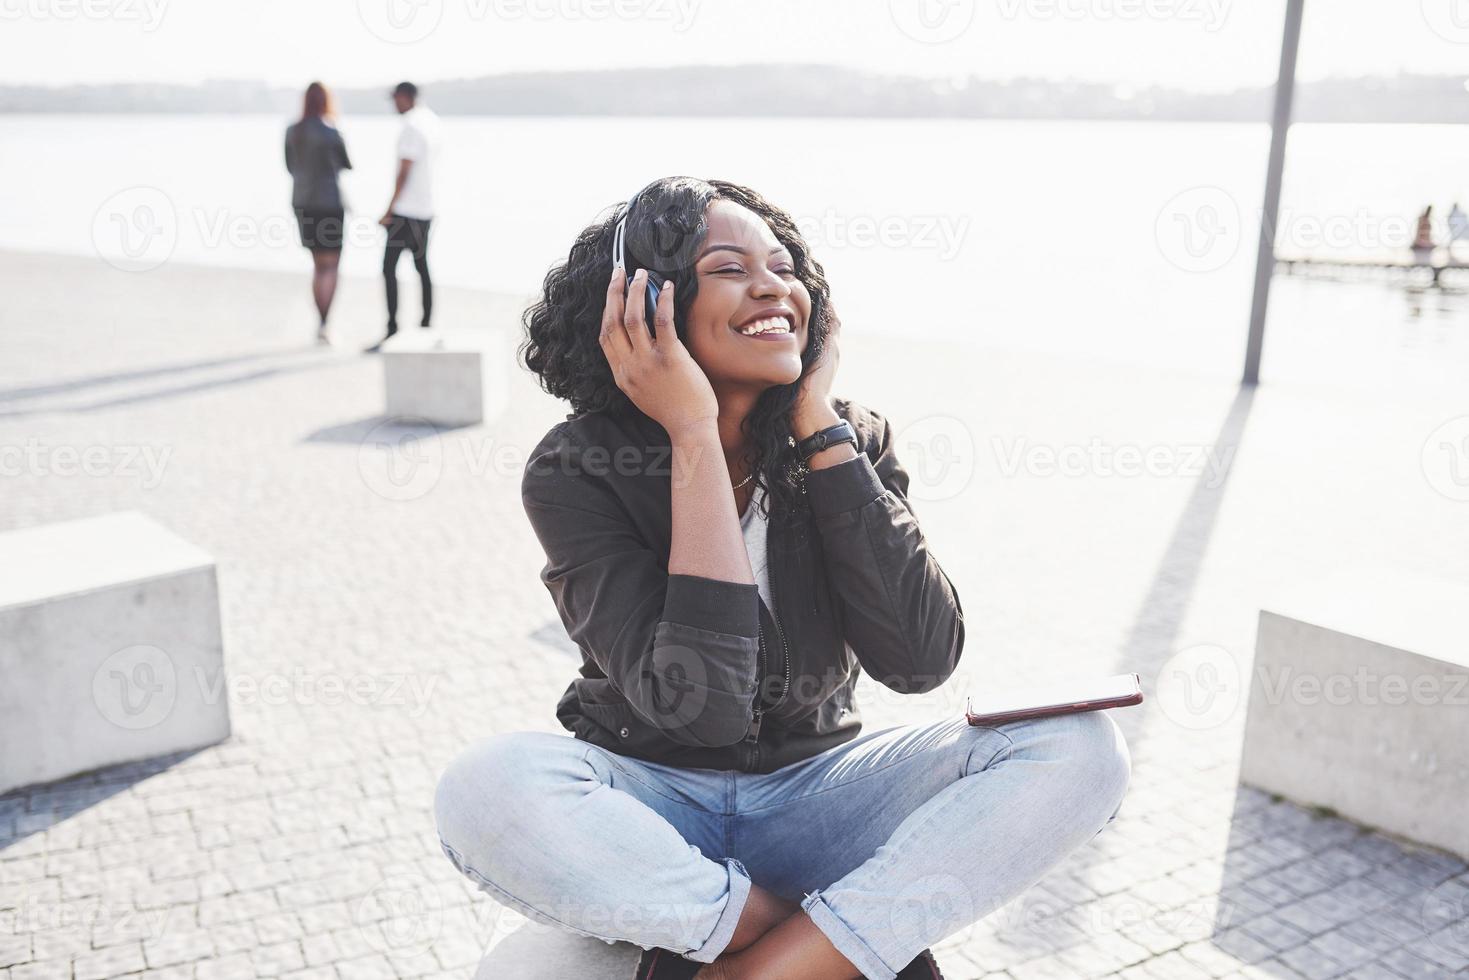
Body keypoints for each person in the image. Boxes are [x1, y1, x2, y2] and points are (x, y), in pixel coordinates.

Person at [432, 177, 1131, 980]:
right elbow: (700, 713)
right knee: (485, 786)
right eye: (730, 268)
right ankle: (799, 937)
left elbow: (918, 661)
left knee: (1078, 744)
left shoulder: (847, 439)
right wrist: (690, 431)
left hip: (819, 793)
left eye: (784, 265)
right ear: (645, 305)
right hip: (653, 804)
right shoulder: (579, 465)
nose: (773, 285)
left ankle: (755, 972)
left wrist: (816, 424)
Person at [366, 81, 441, 353]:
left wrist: (389, 209)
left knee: (389, 268)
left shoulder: (411, 125)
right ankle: (426, 325)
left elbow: (404, 171)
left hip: (406, 211)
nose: (394, 104)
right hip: (426, 209)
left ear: (405, 96)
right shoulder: (432, 121)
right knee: (422, 267)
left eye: (395, 98)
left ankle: (392, 329)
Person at [284, 81, 351, 345]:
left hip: (303, 202)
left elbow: (289, 166)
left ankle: (320, 322)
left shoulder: (293, 130)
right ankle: (326, 322)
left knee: (317, 265)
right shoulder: (331, 130)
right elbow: (347, 163)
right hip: (329, 203)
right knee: (331, 265)